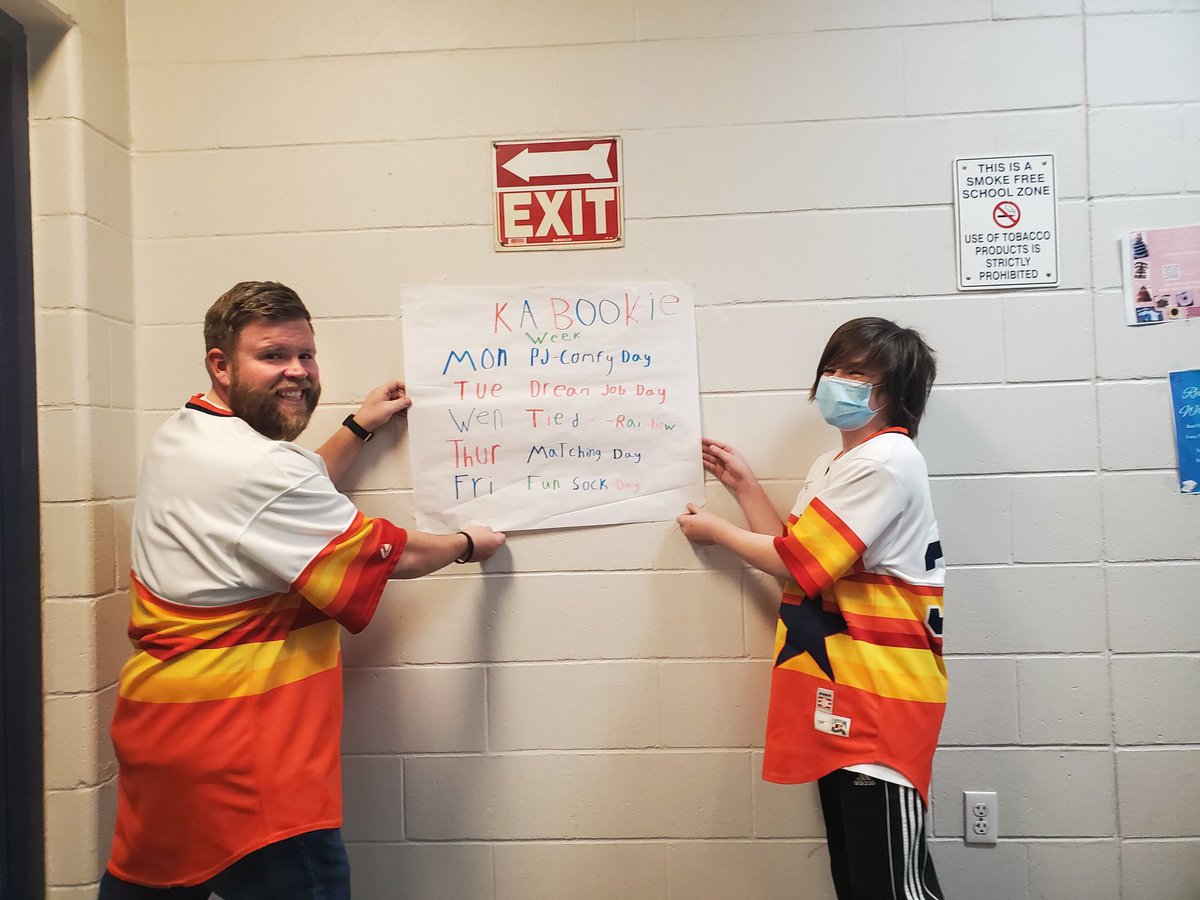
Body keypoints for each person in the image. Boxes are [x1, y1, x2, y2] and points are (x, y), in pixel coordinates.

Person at [99, 281, 506, 900]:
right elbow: (392, 554)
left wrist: (356, 428)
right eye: (273, 356)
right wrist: (469, 543)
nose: (296, 372)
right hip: (247, 760)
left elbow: (286, 494)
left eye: (305, 355)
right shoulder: (261, 469)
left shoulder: (187, 436)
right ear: (220, 364)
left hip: (164, 739)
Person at [677, 317, 946, 899]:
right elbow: (799, 561)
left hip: (881, 700)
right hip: (842, 694)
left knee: (894, 888)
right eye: (832, 368)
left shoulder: (886, 459)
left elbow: (802, 564)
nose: (836, 381)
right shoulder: (837, 463)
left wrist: (718, 531)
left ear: (893, 392)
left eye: (856, 373)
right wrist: (746, 486)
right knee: (859, 881)